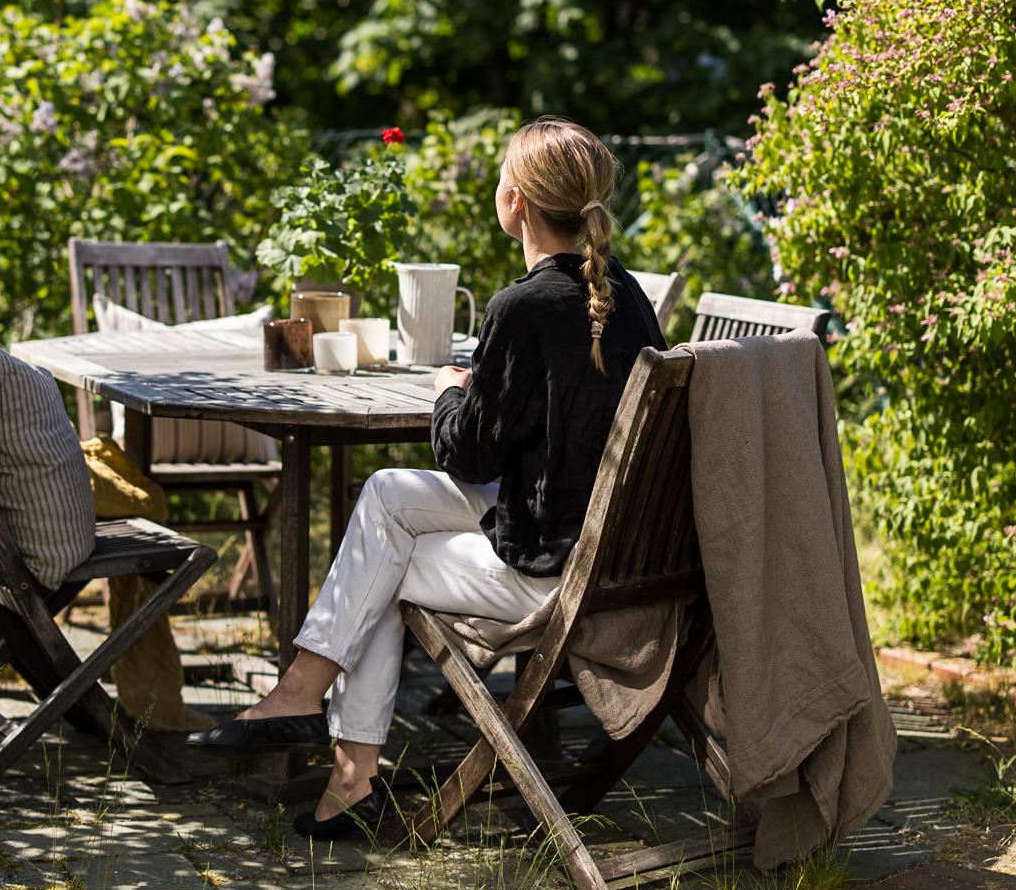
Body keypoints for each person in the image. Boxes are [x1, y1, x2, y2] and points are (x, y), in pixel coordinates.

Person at [187, 117, 667, 839]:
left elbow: (470, 456)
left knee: (381, 559)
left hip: (555, 571)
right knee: (384, 497)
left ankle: (326, 738)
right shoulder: (625, 298)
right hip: (612, 549)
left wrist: (450, 393)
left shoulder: (523, 306)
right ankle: (328, 749)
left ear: (517, 203)